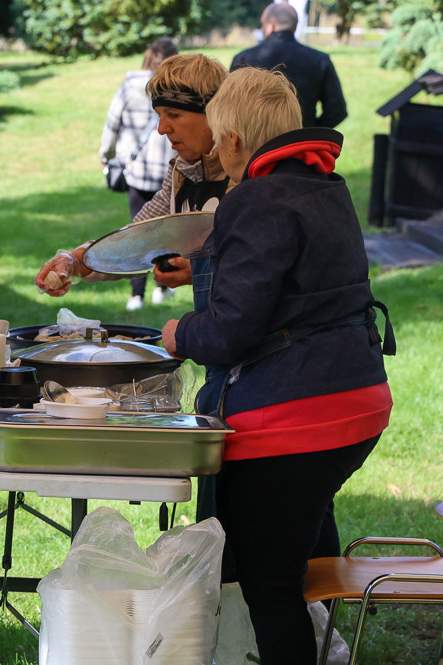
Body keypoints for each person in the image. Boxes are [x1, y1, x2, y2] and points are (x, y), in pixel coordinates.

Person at [161, 67, 392, 665]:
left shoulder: (255, 199)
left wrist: (179, 333)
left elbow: (233, 329)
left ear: (234, 140)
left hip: (294, 415)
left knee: (270, 586)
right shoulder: (326, 187)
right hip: (359, 401)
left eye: (216, 137)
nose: (213, 149)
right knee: (297, 556)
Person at [35, 53, 231, 301]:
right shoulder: (183, 170)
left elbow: (260, 265)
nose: (162, 128)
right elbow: (135, 241)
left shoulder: (247, 173)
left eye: (174, 114)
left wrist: (202, 271)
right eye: (160, 115)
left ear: (213, 113)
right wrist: (73, 260)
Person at [99, 37, 179, 312]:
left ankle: (136, 295)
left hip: (136, 171)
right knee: (166, 232)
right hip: (168, 170)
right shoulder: (175, 87)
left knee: (138, 231)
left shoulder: (129, 85)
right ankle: (163, 286)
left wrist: (105, 155)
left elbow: (112, 122)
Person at [231, 2, 347, 128]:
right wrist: (310, 132)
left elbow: (228, 108)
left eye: (262, 24)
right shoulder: (319, 60)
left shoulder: (244, 59)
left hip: (255, 144)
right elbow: (337, 111)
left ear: (271, 25)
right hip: (301, 142)